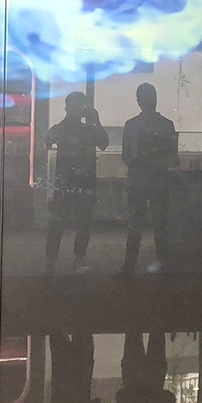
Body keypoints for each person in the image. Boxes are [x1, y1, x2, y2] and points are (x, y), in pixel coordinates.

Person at [44, 91, 108, 274]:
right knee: (76, 222)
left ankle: (55, 260)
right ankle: (71, 258)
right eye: (76, 107)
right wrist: (96, 122)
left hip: (70, 181)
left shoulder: (65, 128)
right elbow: (104, 143)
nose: (78, 110)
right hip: (79, 181)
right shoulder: (83, 130)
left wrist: (96, 122)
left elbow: (46, 143)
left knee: (68, 222)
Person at [119, 83, 178, 274]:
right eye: (146, 97)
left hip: (146, 180)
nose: (148, 100)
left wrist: (141, 160)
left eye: (149, 96)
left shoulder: (133, 125)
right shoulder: (165, 125)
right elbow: (126, 156)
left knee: (147, 224)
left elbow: (173, 156)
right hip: (147, 180)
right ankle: (158, 263)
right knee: (151, 224)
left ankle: (131, 266)